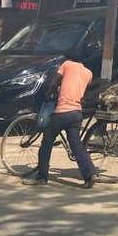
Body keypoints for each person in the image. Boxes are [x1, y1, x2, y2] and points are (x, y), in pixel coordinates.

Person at [24, 55, 96, 188]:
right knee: (76, 146)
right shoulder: (88, 73)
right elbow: (82, 88)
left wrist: (48, 94)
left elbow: (54, 82)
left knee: (46, 143)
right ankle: (88, 176)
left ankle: (41, 177)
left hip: (63, 112)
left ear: (69, 59)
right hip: (76, 113)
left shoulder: (67, 64)